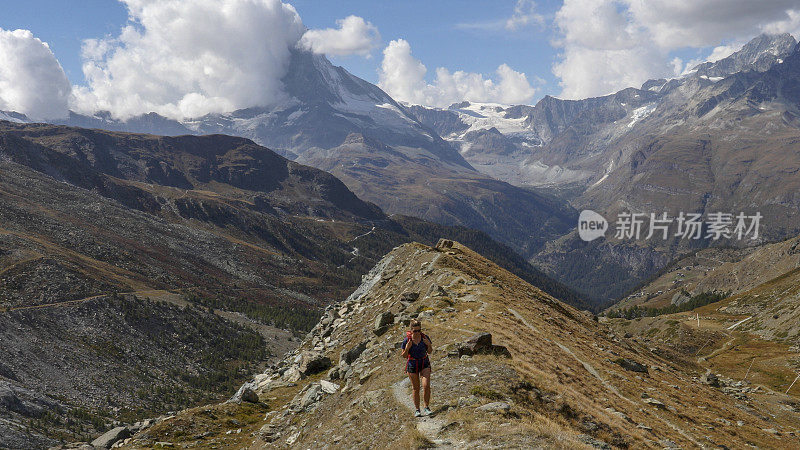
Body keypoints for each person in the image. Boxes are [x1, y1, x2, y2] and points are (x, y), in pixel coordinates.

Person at [401, 319, 432, 417]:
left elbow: (430, 351)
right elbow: (404, 356)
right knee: (416, 388)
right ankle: (417, 410)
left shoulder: (425, 338)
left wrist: (429, 345)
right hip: (412, 364)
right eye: (415, 331)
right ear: (411, 330)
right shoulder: (407, 341)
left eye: (419, 330)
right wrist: (407, 348)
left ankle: (426, 407)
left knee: (426, 386)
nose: (418, 333)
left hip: (424, 363)